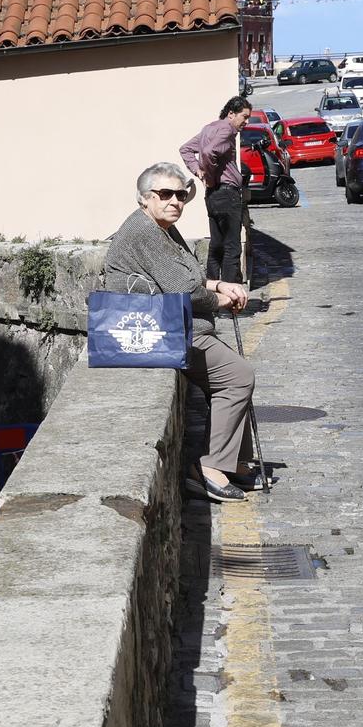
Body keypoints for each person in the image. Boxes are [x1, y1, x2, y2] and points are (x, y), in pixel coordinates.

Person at [103, 163, 258, 502]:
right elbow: (184, 290)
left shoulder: (161, 227)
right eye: (165, 194)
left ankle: (237, 462)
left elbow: (190, 276)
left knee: (232, 373)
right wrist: (219, 299)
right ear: (145, 198)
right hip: (164, 330)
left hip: (174, 325)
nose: (176, 201)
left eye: (181, 194)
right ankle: (209, 468)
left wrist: (219, 283)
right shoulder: (144, 232)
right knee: (237, 376)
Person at [180, 96, 253, 283]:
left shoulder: (209, 128)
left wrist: (199, 171)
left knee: (217, 246)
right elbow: (207, 152)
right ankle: (227, 300)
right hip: (226, 194)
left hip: (213, 196)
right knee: (232, 247)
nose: (246, 122)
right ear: (231, 114)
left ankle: (212, 295)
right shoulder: (227, 129)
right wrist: (209, 177)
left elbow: (185, 149)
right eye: (244, 117)